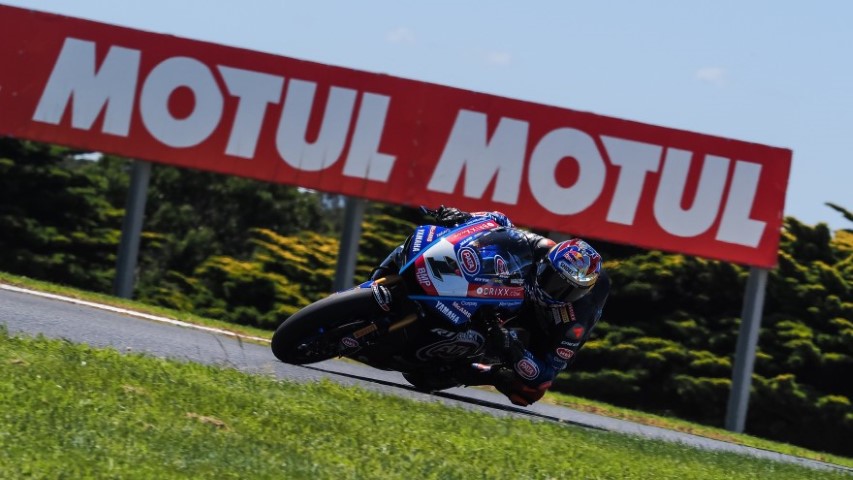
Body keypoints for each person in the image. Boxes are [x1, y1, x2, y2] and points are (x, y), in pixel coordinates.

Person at [372, 206, 610, 407]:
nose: (553, 290)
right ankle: (381, 282)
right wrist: (463, 217)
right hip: (513, 295)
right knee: (433, 245)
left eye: (567, 290)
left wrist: (511, 347)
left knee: (529, 391)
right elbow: (499, 222)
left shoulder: (576, 321)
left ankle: (484, 372)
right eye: (551, 277)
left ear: (582, 293)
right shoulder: (542, 247)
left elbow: (545, 375)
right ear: (547, 261)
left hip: (536, 331)